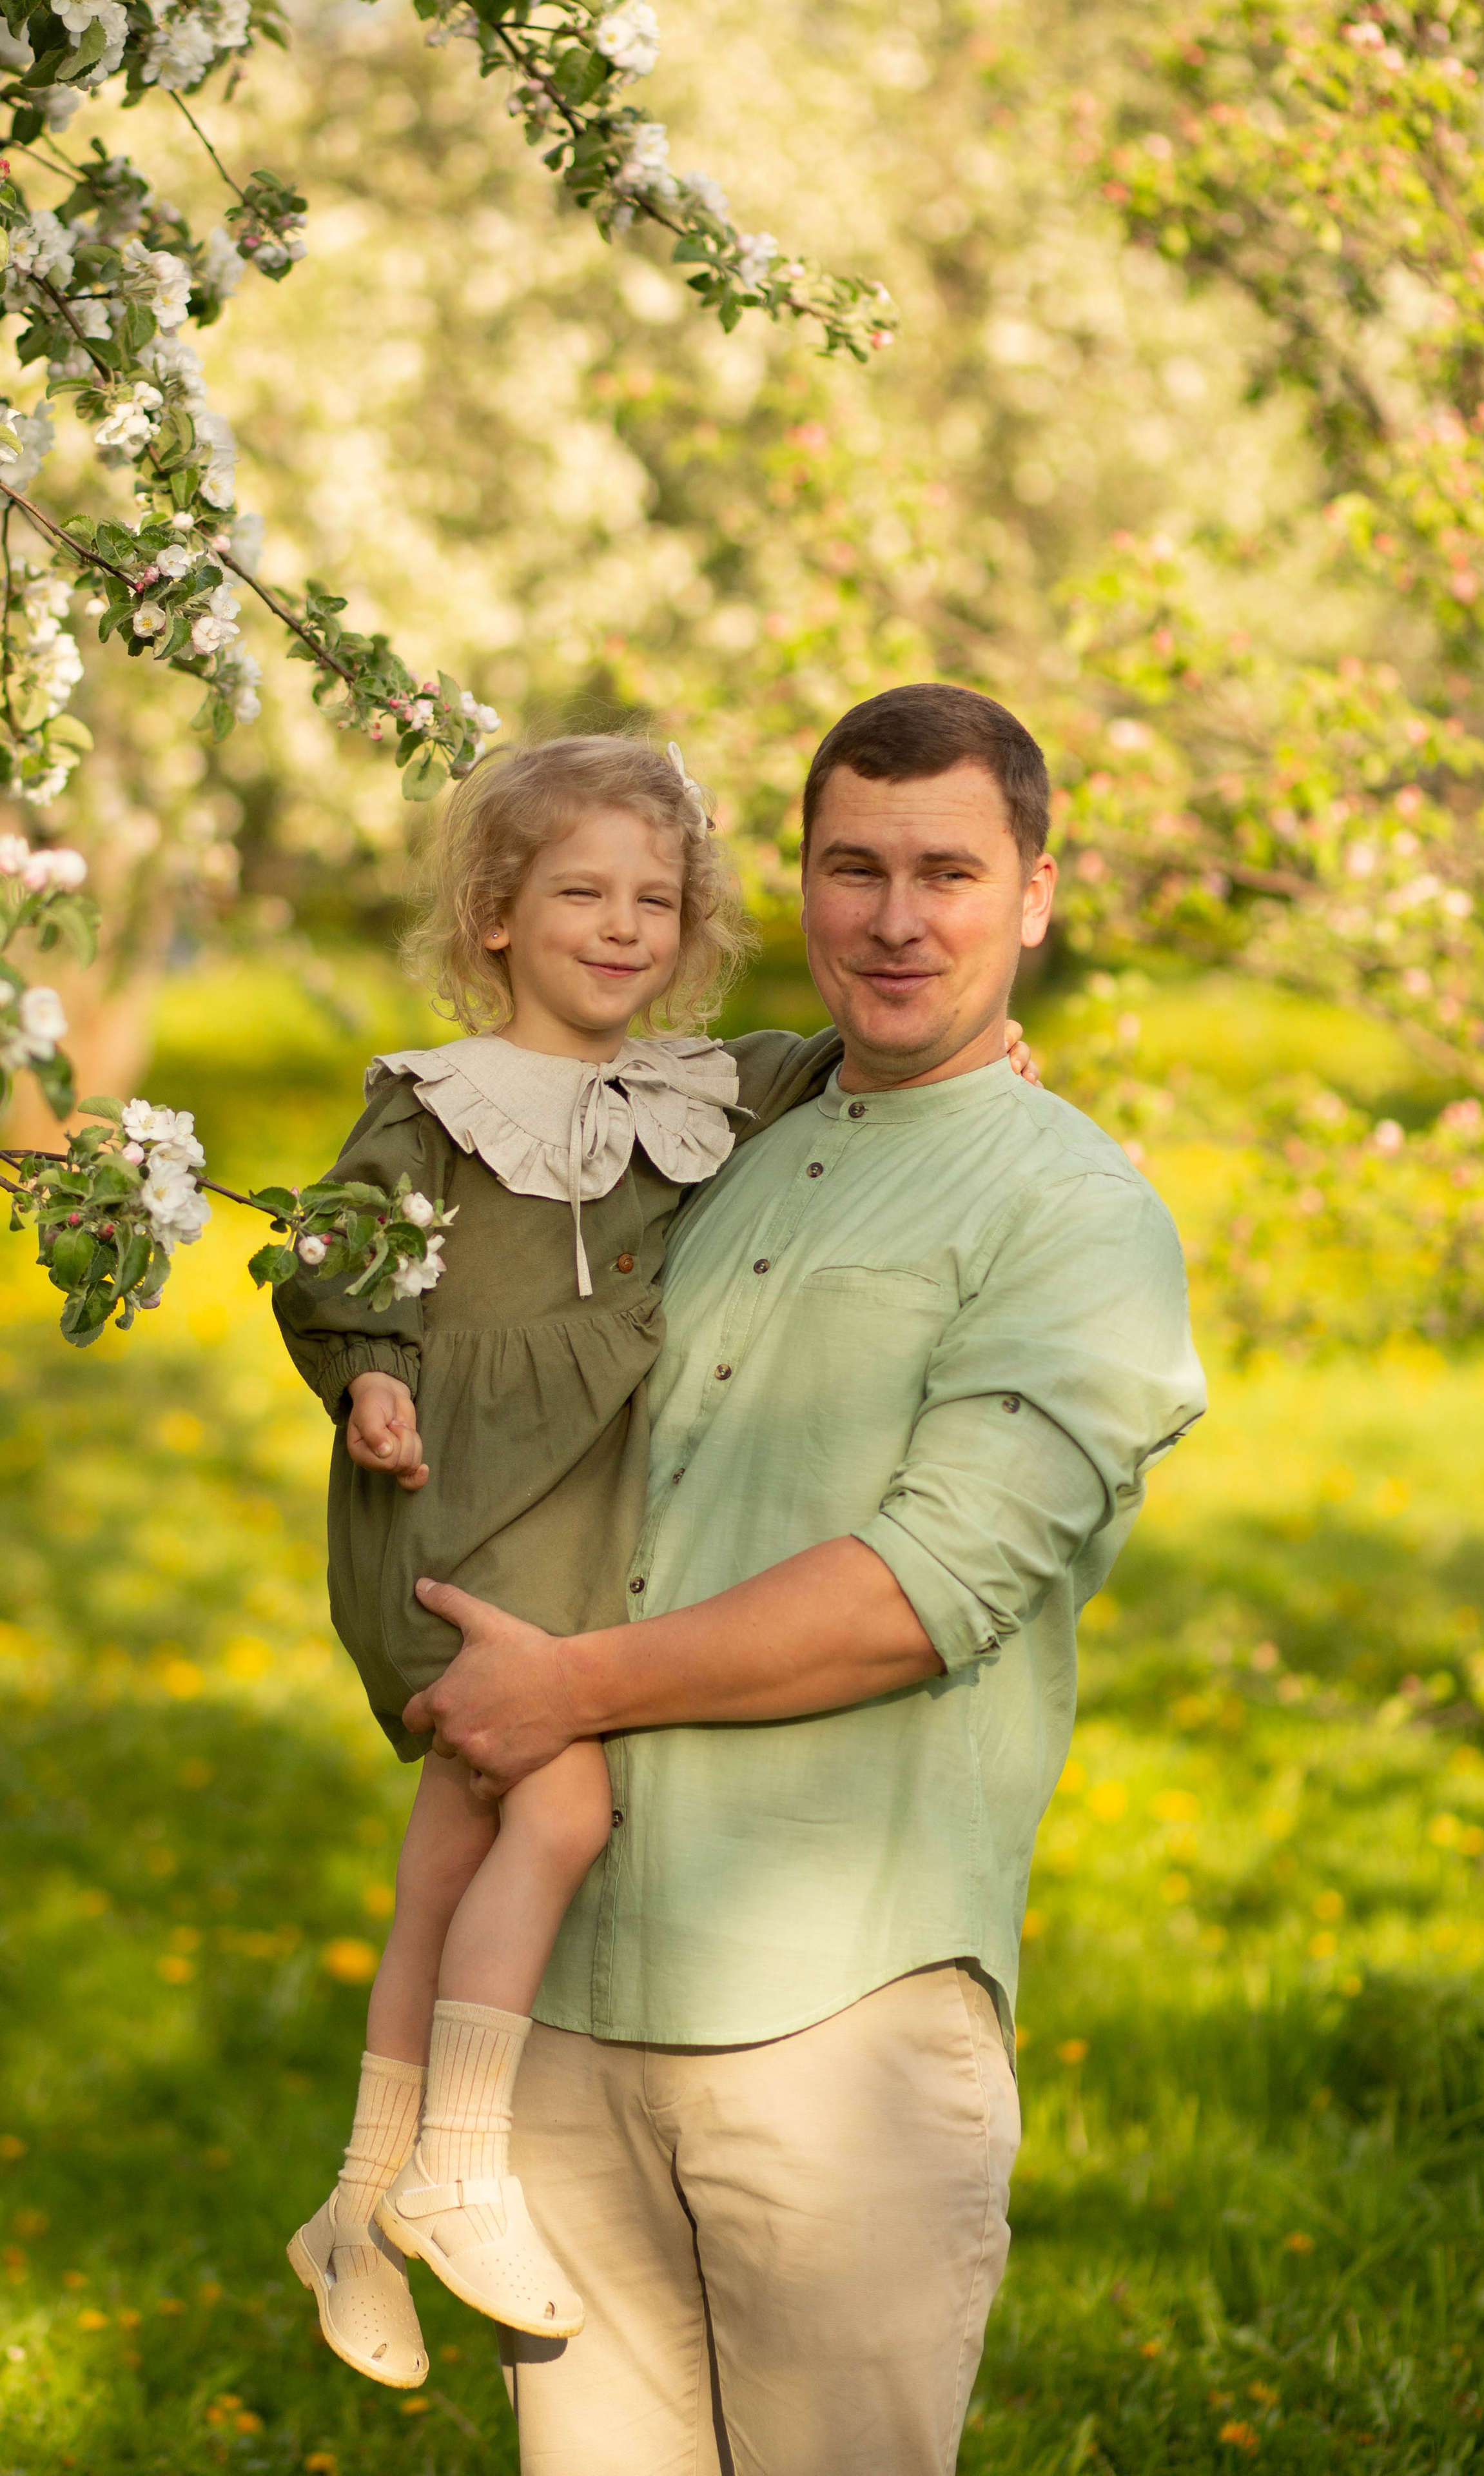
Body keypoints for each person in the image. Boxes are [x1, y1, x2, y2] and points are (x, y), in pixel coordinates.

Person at [405, 682, 1208, 2476]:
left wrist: (565, 1690)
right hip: (569, 1998)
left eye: (949, 872)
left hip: (831, 2026)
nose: (898, 920)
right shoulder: (710, 1141)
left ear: (1039, 895)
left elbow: (924, 1590)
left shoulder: (1075, 1216)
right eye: (855, 869)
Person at [272, 732, 1036, 2389]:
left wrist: (999, 1058)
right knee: (557, 1800)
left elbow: (832, 1067)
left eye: (655, 901)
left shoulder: (704, 1086)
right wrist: (372, 1371)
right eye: (579, 896)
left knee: (446, 1852)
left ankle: (353, 2192)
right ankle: (461, 2161)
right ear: (491, 912)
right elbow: (331, 1249)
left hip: (575, 1513)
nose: (621, 929)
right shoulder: (433, 1100)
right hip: (458, 1507)